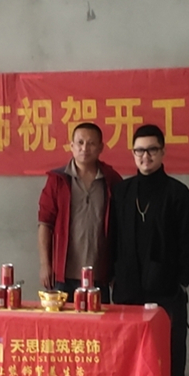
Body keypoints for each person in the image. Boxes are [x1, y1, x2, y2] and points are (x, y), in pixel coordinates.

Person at [111, 123, 189, 376]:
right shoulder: (122, 191)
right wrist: (112, 276)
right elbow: (111, 237)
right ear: (133, 154)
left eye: (151, 150)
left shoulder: (178, 193)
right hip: (128, 286)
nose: (145, 156)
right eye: (139, 151)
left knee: (170, 346)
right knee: (127, 347)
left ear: (162, 152)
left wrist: (182, 281)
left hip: (166, 288)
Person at [38, 122, 121, 301]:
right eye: (80, 143)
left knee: (99, 319)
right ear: (72, 146)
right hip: (63, 276)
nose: (85, 148)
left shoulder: (111, 180)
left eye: (91, 143)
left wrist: (116, 270)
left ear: (101, 147)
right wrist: (45, 265)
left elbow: (119, 229)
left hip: (99, 276)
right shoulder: (57, 180)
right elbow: (45, 223)